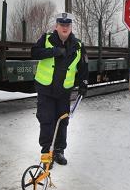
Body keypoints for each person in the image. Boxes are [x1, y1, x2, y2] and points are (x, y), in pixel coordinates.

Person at [31, 12, 89, 168]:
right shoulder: (47, 39)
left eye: (67, 25)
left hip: (64, 92)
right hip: (46, 90)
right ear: (56, 26)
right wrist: (53, 52)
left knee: (62, 121)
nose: (64, 28)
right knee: (47, 120)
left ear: (70, 27)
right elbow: (34, 52)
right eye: (62, 25)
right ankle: (46, 154)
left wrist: (83, 84)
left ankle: (58, 151)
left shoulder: (78, 45)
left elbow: (83, 67)